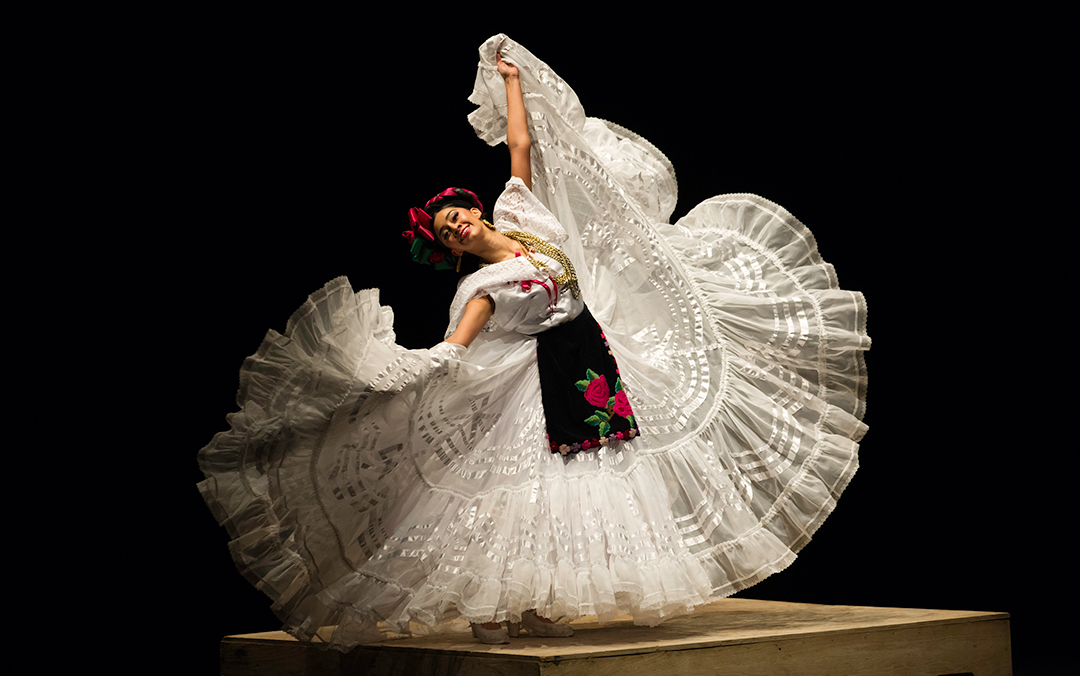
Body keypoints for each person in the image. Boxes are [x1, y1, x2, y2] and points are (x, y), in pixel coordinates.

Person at [199, 35, 870, 650]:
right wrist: (395, 368)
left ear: (473, 207)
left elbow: (519, 145)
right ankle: (498, 606)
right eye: (446, 230)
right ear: (449, 249)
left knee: (584, 479)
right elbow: (456, 349)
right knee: (524, 488)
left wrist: (512, 81)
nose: (457, 224)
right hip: (529, 383)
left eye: (456, 213)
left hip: (585, 357)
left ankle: (533, 603)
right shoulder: (481, 289)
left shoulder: (521, 214)